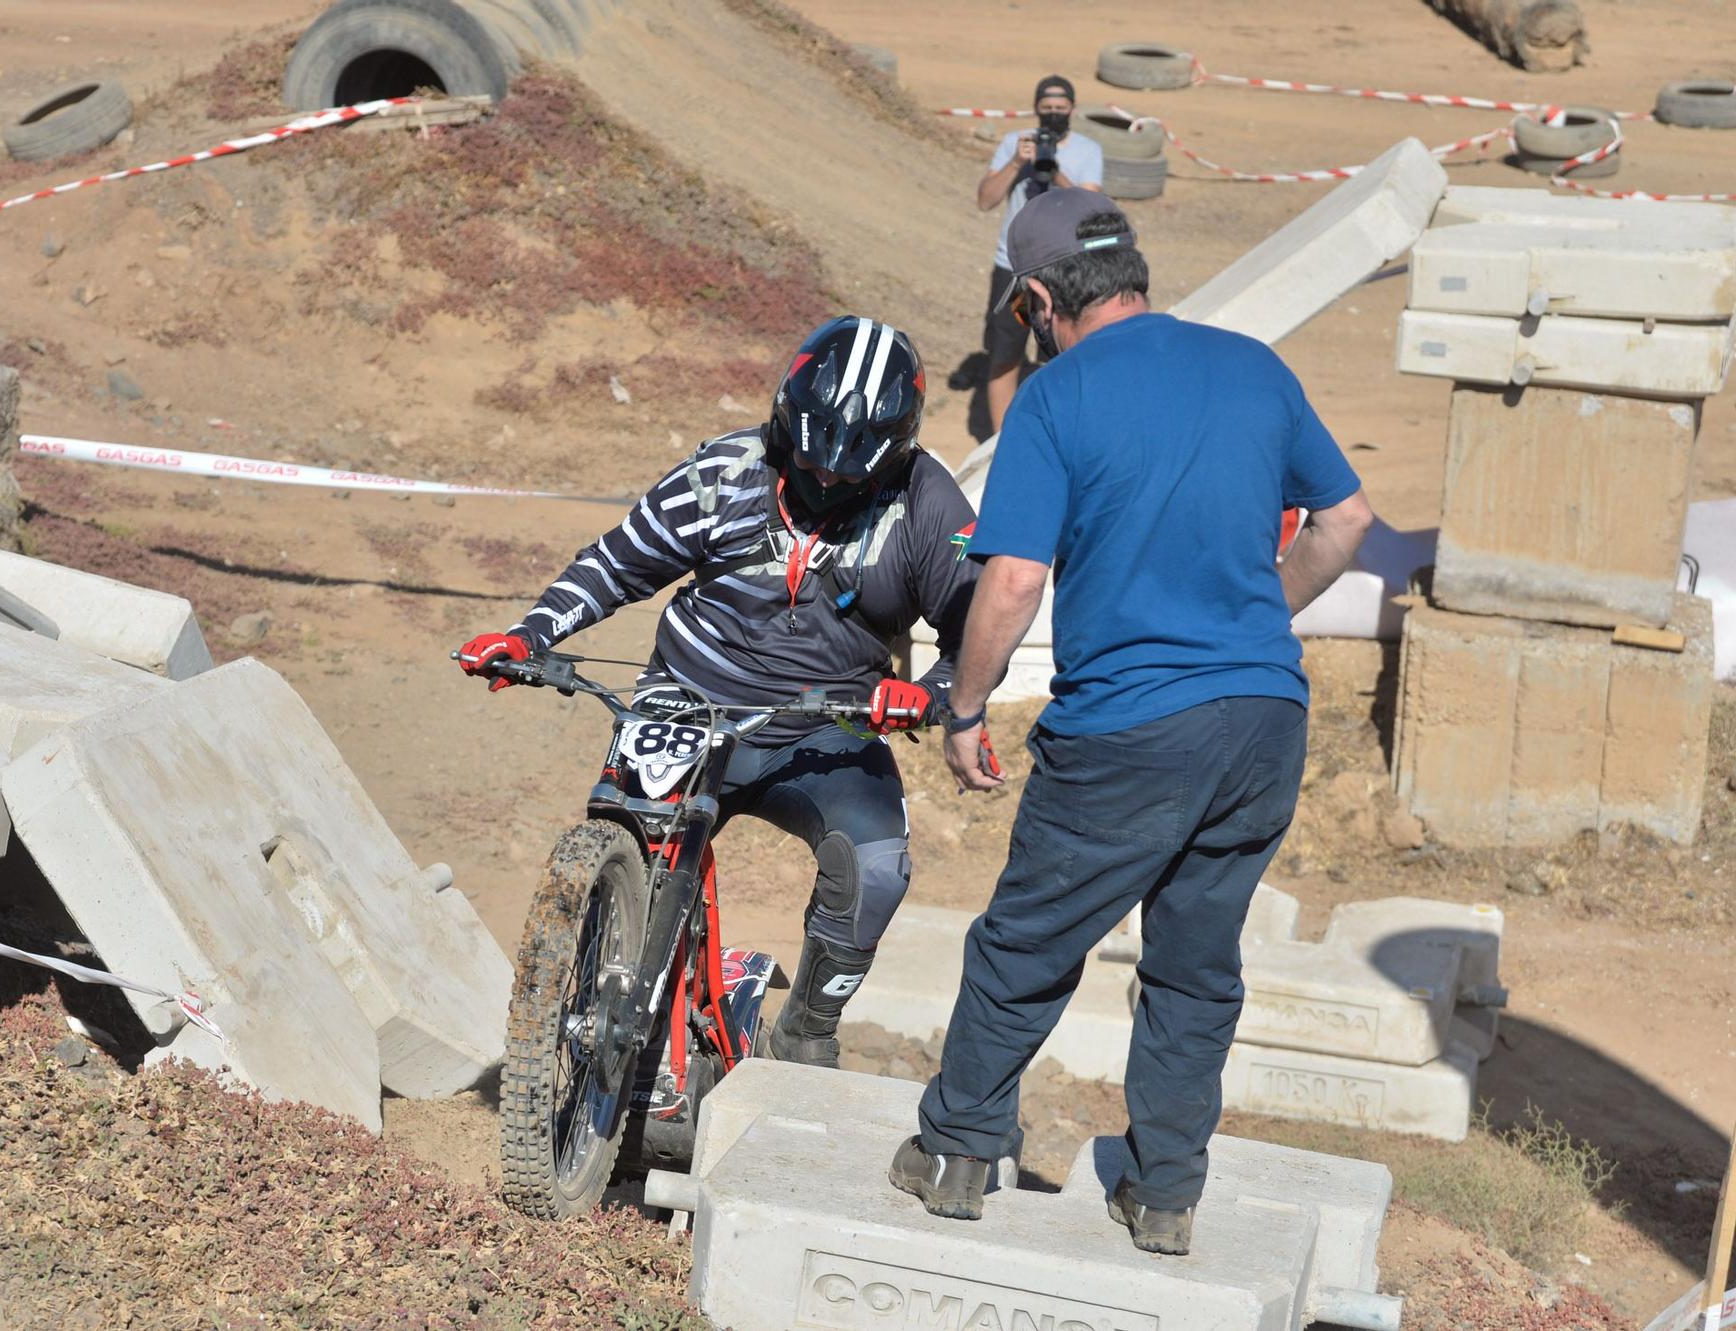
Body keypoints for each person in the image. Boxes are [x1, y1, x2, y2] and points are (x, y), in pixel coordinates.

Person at [887, 188, 1375, 1254]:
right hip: (1263, 720)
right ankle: (1162, 1192)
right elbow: (1344, 519)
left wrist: (961, 707)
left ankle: (959, 1146)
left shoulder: (1054, 401)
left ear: (1032, 301)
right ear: (1134, 273)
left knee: (1025, 941)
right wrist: (1256, 617)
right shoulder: (1252, 366)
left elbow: (1011, 580)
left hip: (1128, 730)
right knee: (1195, 965)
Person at [456, 316, 989, 1067]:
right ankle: (600, 1004)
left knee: (876, 866)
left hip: (828, 723)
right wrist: (530, 633)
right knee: (632, 837)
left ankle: (806, 1027)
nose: (829, 479)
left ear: (894, 454)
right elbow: (617, 562)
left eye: (852, 472)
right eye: (812, 460)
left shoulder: (931, 504)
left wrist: (931, 693)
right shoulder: (722, 471)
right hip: (687, 700)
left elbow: (978, 629)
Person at [977, 75, 1104, 436]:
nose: (1053, 115)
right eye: (1046, 109)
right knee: (1004, 355)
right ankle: (1002, 440)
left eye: (1060, 110)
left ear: (1073, 110)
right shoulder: (1013, 145)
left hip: (1064, 271)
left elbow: (1094, 209)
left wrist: (1056, 172)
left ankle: (1062, 434)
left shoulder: (1088, 151)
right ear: (1035, 108)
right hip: (1015, 271)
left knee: (1066, 356)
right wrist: (1018, 163)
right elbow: (985, 200)